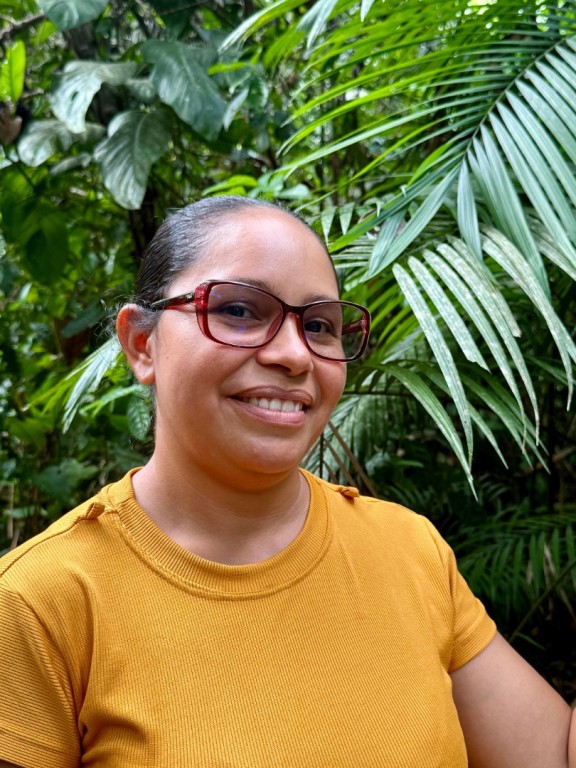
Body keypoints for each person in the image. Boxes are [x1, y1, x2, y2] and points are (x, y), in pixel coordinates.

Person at [0, 196, 573, 768]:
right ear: (142, 344)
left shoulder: (409, 550)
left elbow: (550, 754)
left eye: (320, 326)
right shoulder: (41, 601)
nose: (296, 355)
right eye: (239, 311)